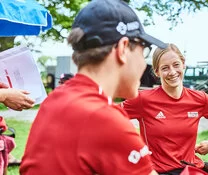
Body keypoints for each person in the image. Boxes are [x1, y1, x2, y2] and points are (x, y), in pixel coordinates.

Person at [20, 0, 167, 175]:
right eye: (144, 51)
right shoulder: (105, 119)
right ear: (123, 48)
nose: (144, 64)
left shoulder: (55, 99)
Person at [121, 44, 208, 174]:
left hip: (190, 169)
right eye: (165, 68)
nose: (172, 72)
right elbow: (107, 115)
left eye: (176, 65)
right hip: (157, 171)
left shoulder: (200, 98)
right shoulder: (143, 99)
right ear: (157, 71)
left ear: (183, 64)